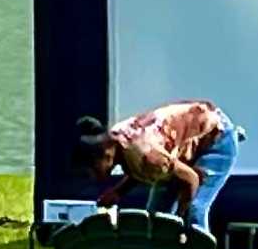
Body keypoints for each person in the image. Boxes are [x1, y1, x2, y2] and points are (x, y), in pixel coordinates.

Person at [79, 97, 241, 232]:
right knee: (156, 216)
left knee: (194, 209)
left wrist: (180, 217)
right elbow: (141, 168)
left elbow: (191, 179)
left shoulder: (148, 156)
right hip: (179, 148)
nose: (92, 177)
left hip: (216, 138)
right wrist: (118, 192)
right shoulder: (117, 139)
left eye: (92, 169)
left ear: (106, 154)